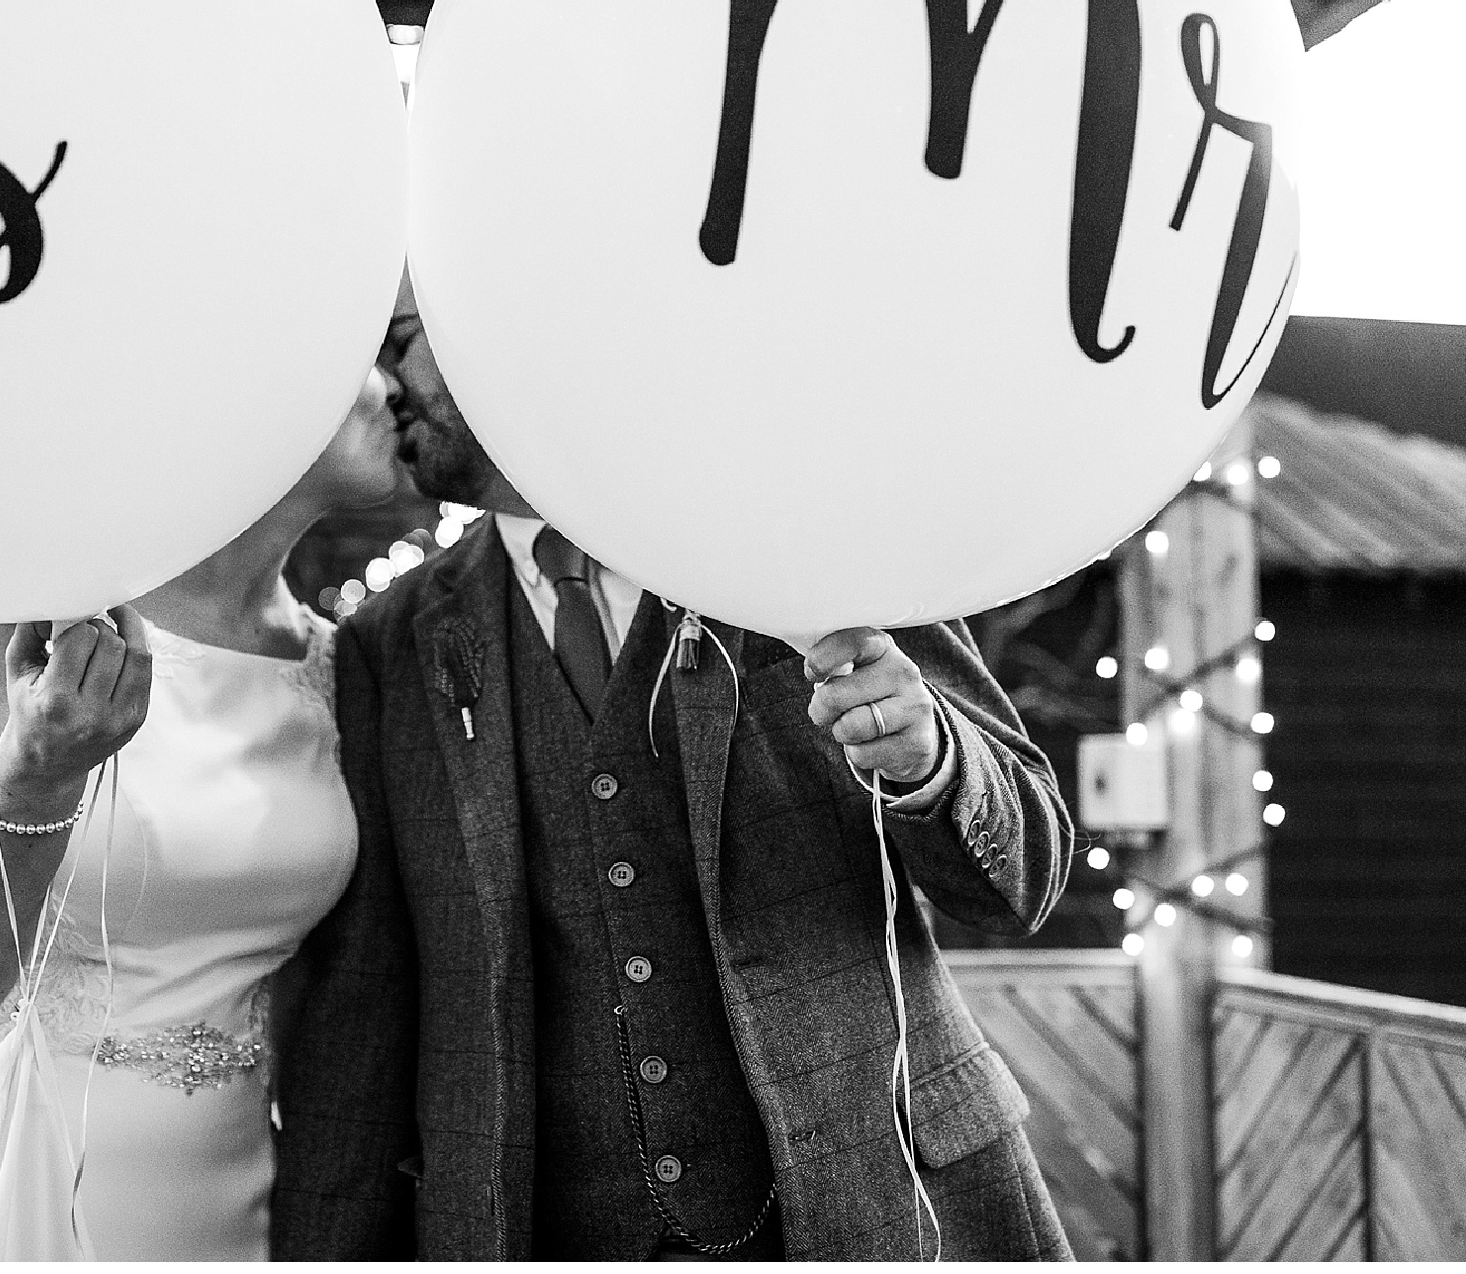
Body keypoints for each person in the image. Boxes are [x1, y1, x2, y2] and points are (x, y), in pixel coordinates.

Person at [270, 278, 1078, 1261]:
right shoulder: (387, 647)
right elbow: (359, 1027)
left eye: (399, 340)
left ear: (506, 322)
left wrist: (933, 758)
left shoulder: (805, 519)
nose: (381, 383)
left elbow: (1025, 872)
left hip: (882, 1205)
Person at [0, 366, 405, 1261]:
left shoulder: (334, 666)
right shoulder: (28, 617)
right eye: (369, 345)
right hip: (2, 1188)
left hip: (224, 1205)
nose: (394, 381)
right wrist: (36, 777)